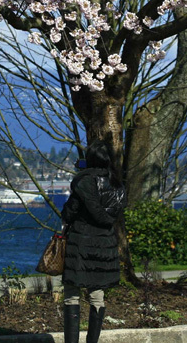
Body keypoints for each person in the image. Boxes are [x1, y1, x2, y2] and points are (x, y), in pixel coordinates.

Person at [61, 144, 127, 343]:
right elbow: (111, 214)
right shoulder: (118, 185)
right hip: (105, 244)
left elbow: (69, 213)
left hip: (81, 243)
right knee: (97, 295)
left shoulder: (84, 182)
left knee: (72, 294)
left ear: (88, 161)